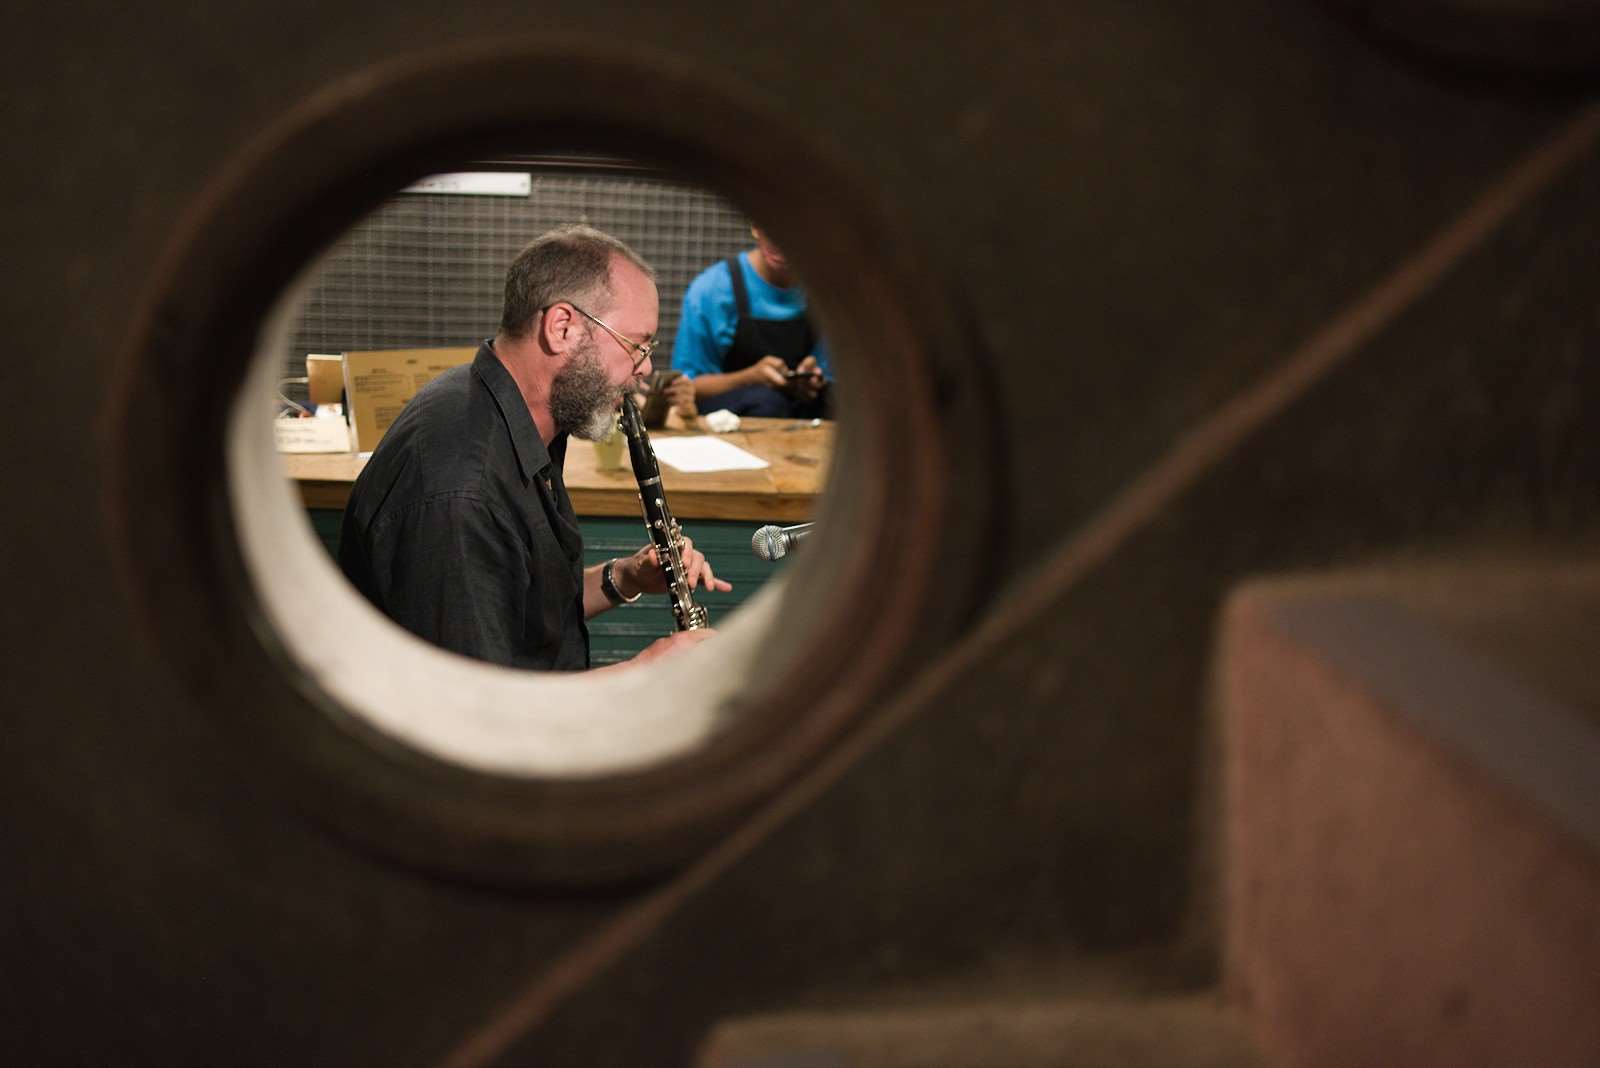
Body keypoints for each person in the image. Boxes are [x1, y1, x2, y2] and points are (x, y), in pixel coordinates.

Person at [338, 224, 730, 671]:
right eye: (636, 345)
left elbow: (520, 611)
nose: (646, 369)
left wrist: (622, 578)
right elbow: (476, 710)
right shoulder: (461, 496)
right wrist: (643, 673)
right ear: (561, 327)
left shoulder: (505, 409)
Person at [671, 226, 832, 419]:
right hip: (729, 416)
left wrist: (810, 380)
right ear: (755, 227)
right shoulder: (712, 291)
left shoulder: (829, 294)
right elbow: (684, 388)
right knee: (766, 402)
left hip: (800, 413)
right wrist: (748, 378)